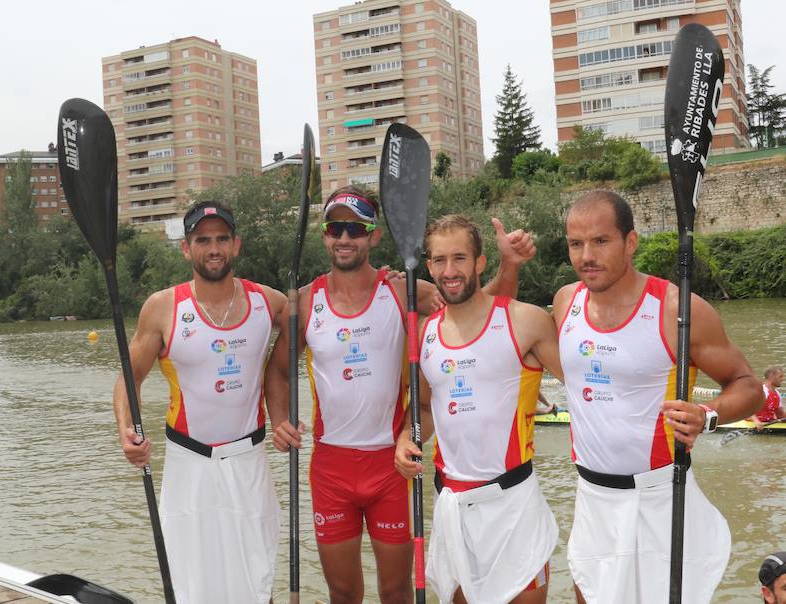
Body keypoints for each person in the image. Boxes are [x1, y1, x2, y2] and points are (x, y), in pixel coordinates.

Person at [265, 186, 534, 604]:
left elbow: (480, 310)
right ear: (324, 235)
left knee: (395, 591)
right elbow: (278, 370)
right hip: (331, 467)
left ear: (373, 236)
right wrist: (279, 420)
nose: (345, 237)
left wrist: (509, 264)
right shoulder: (306, 300)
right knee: (342, 591)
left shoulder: (404, 290)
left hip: (392, 465)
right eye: (336, 227)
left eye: (356, 228)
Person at [553, 190, 764, 603]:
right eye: (576, 244)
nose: (586, 256)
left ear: (631, 242)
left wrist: (707, 415)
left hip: (659, 496)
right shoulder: (565, 302)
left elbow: (749, 387)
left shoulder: (677, 309)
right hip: (591, 497)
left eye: (601, 241)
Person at [113, 200, 286, 604]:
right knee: (191, 583)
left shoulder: (269, 302)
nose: (214, 248)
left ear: (236, 245)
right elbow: (128, 378)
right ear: (186, 248)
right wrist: (126, 429)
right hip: (188, 464)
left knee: (258, 577)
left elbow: (329, 305)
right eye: (202, 240)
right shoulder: (162, 308)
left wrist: (399, 285)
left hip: (249, 461)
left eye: (222, 239)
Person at [394, 215, 563, 604]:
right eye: (439, 260)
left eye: (459, 258)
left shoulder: (526, 321)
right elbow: (422, 406)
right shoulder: (425, 334)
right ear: (429, 265)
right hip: (454, 510)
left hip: (515, 508)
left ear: (480, 262)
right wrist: (406, 437)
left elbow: (586, 384)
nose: (449, 271)